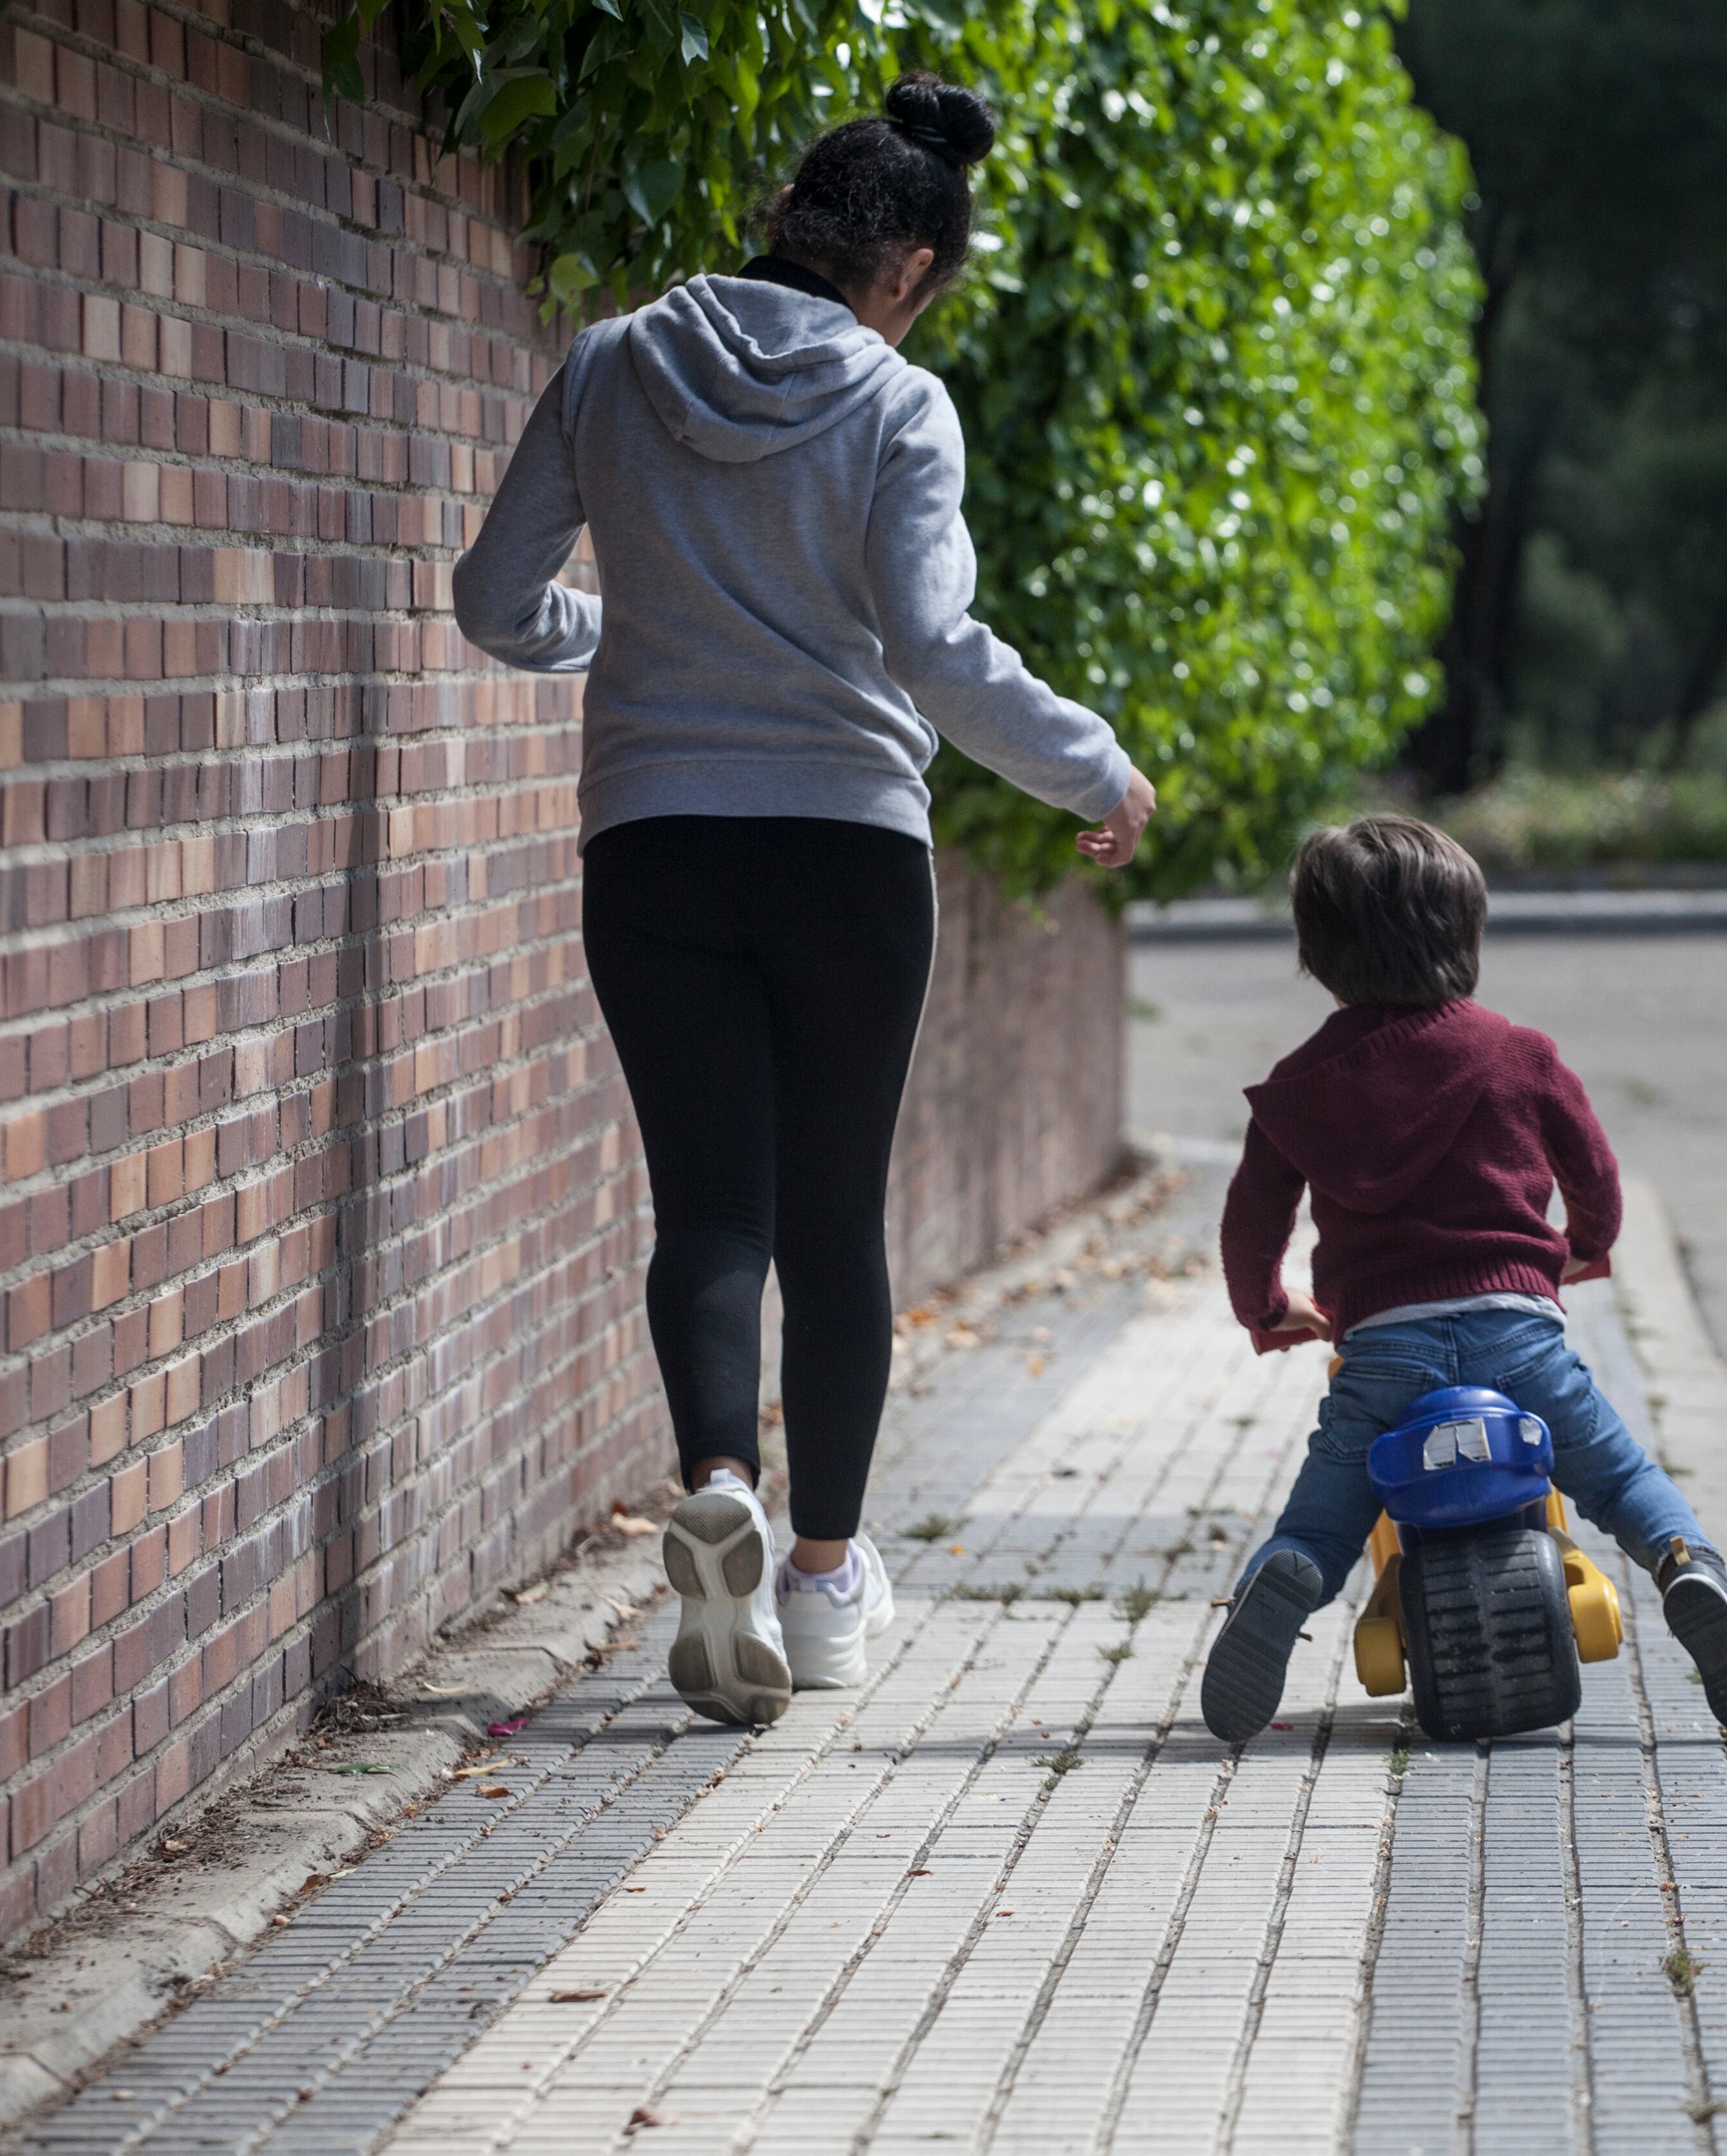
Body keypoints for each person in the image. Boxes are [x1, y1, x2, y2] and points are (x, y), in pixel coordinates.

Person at [453, 74, 1158, 1727]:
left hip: (654, 841)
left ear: (790, 214)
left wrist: (616, 650)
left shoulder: (613, 363)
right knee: (835, 1221)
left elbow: (494, 600)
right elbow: (930, 647)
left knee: (709, 1210)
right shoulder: (899, 407)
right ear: (908, 268)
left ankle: (719, 1480)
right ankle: (826, 1583)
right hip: (846, 844)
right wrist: (1094, 769)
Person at [1200, 814, 1727, 1744]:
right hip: (1519, 1336)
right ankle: (1687, 1565)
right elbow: (1593, 1168)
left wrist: (1269, 1308)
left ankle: (1286, 1578)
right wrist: (1588, 1242)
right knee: (1620, 1474)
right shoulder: (1520, 1052)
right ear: (1466, 935)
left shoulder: (1299, 1087)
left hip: (1384, 1347)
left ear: (1317, 953)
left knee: (1326, 1511)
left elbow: (1251, 1219)